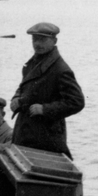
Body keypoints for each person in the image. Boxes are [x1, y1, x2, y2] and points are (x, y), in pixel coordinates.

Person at [10, 22, 85, 158]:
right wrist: (16, 98)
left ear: (54, 41)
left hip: (46, 136)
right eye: (35, 39)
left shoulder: (61, 69)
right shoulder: (31, 63)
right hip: (24, 131)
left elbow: (77, 102)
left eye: (43, 40)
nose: (37, 44)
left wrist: (45, 109)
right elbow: (23, 87)